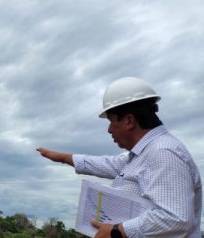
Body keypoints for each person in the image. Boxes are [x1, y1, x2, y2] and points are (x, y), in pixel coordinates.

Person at [37, 77, 202, 238]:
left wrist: (117, 231)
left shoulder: (162, 152)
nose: (109, 130)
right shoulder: (142, 154)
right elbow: (108, 164)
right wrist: (64, 158)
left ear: (129, 121)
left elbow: (176, 219)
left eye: (111, 121)